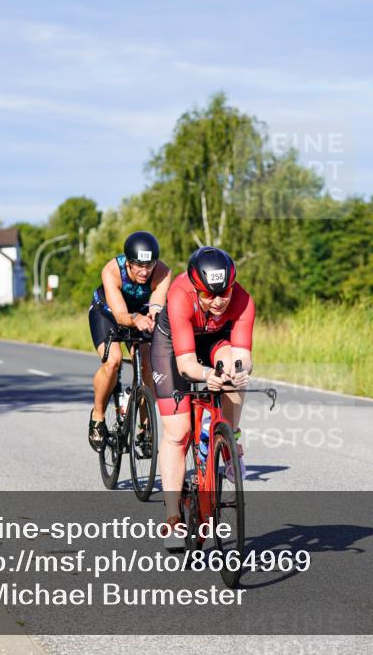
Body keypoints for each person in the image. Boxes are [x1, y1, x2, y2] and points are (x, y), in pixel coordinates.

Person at [150, 246, 255, 551]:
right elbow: (186, 366)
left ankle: (229, 437)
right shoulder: (180, 295)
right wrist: (207, 375)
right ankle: (172, 519)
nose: (218, 301)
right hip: (173, 347)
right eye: (209, 295)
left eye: (224, 293)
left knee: (232, 368)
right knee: (178, 433)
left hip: (213, 340)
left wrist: (238, 371)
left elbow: (244, 355)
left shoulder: (243, 300)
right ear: (196, 288)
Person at [87, 231, 171, 451]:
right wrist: (136, 319)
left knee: (147, 365)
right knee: (113, 361)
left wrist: (153, 316)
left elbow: (156, 305)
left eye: (149, 265)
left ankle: (145, 427)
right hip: (108, 313)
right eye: (138, 265)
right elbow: (121, 315)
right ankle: (98, 415)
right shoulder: (112, 270)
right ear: (127, 263)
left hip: (141, 313)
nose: (145, 271)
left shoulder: (162, 272)